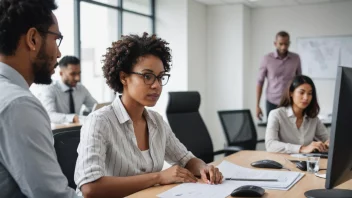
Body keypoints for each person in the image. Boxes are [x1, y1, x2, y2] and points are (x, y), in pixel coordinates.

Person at [74, 33, 223, 198]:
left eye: (160, 77)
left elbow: (186, 159)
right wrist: (158, 177)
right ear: (124, 77)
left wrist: (204, 168)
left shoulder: (156, 121)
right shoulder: (100, 121)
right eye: (147, 76)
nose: (157, 85)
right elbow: (89, 188)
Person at [0, 0, 79, 197]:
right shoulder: (18, 105)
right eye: (56, 39)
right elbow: (51, 195)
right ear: (33, 39)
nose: (59, 53)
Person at [265, 75, 329, 154]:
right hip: (283, 163)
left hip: (306, 164)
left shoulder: (313, 118)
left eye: (309, 93)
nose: (306, 97)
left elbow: (328, 139)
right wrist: (302, 148)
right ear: (291, 93)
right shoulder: (276, 114)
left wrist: (326, 145)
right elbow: (270, 145)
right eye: (301, 92)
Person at [256, 31, 302, 120]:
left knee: (290, 130)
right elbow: (259, 82)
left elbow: (299, 81)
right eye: (281, 44)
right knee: (273, 131)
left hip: (290, 102)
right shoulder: (267, 59)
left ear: (289, 43)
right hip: (272, 101)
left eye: (286, 44)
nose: (283, 47)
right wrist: (257, 106)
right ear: (275, 43)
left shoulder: (296, 58)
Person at [41, 55, 97, 124]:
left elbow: (95, 107)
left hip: (77, 129)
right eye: (72, 74)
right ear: (61, 73)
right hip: (57, 132)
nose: (77, 78)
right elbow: (49, 115)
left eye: (79, 73)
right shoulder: (50, 89)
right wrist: (73, 118)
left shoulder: (81, 88)